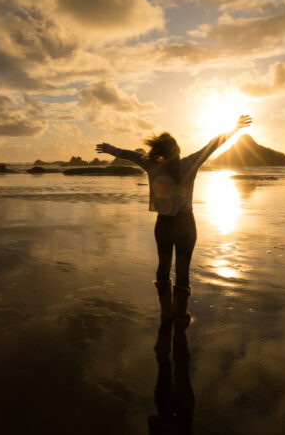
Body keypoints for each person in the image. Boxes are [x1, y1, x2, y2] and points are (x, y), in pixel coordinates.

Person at [96, 114, 252, 324]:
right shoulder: (189, 163)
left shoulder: (152, 165)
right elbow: (213, 144)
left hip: (164, 224)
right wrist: (234, 129)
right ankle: (180, 314)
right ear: (177, 150)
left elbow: (129, 154)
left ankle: (166, 312)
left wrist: (109, 149)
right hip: (186, 224)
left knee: (163, 266)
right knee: (182, 270)